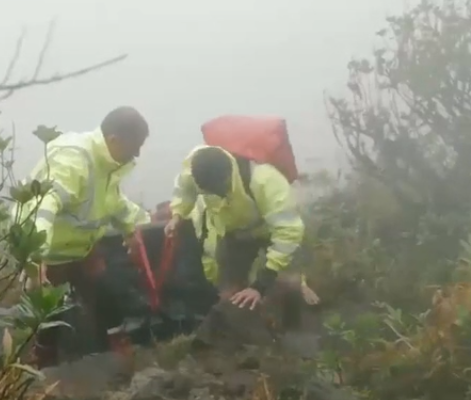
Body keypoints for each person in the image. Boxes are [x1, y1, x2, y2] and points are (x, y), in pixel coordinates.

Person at [20, 107, 151, 364]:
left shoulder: (107, 164)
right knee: (50, 309)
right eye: (134, 146)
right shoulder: (74, 159)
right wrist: (35, 257)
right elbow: (44, 206)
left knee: (104, 289)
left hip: (82, 247)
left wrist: (131, 230)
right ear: (114, 140)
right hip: (50, 250)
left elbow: (112, 201)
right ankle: (44, 363)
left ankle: (114, 346)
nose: (136, 154)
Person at [163, 145, 317, 317]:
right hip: (235, 234)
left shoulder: (264, 180)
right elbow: (184, 191)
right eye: (211, 192)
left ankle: (299, 291)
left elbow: (288, 233)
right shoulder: (195, 172)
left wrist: (259, 286)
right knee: (228, 292)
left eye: (221, 189)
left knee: (287, 283)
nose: (219, 195)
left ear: (229, 175)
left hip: (271, 232)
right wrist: (177, 216)